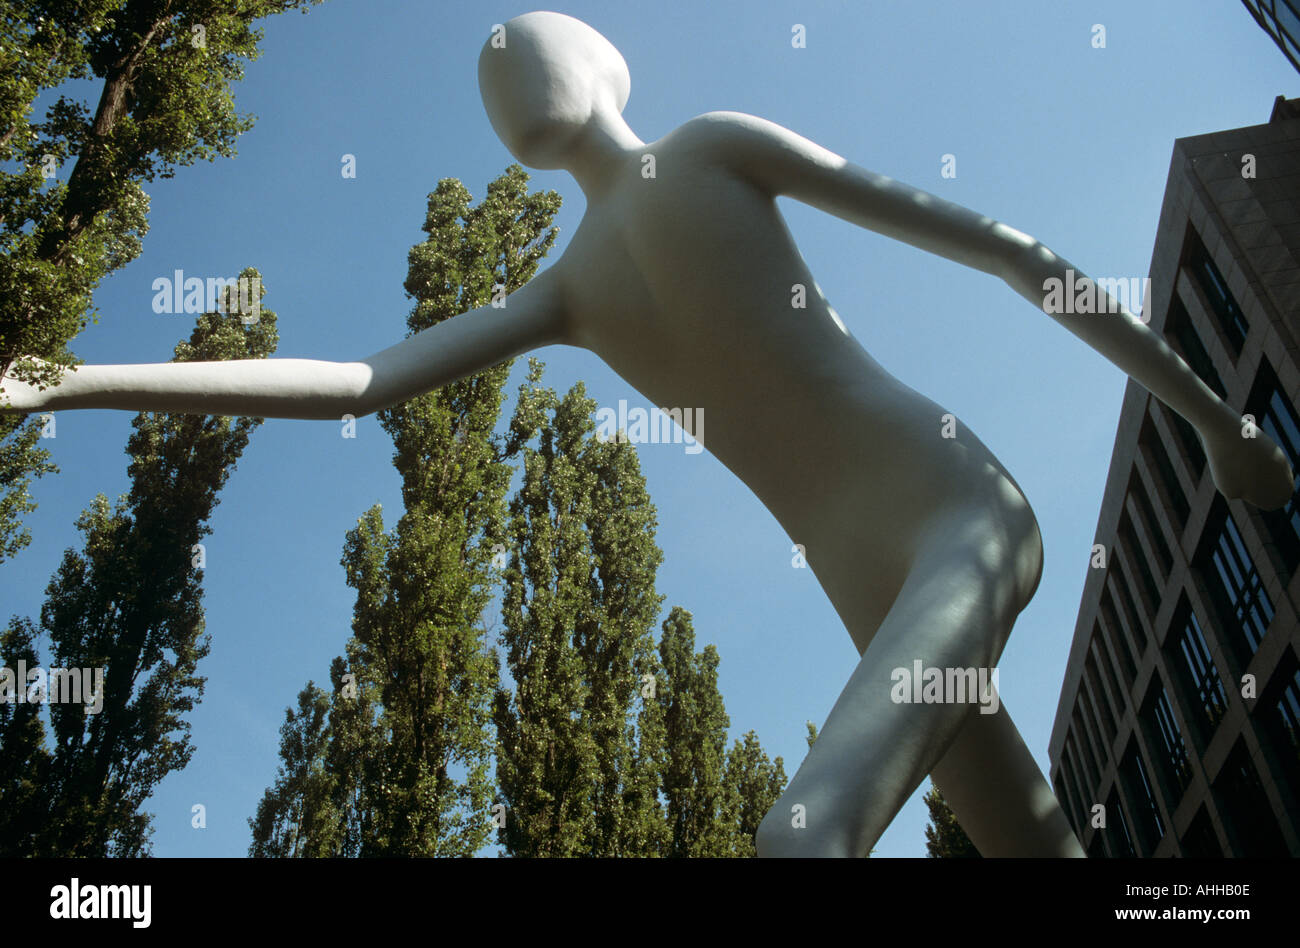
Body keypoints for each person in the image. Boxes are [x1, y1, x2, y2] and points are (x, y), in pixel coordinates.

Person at [3, 11, 1291, 857]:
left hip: (955, 520)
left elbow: (353, 382)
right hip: (884, 564)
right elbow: (1016, 257)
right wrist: (67, 378)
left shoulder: (644, 215)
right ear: (610, 66)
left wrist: (75, 377)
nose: (508, 49)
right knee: (1031, 843)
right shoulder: (598, 251)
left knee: (801, 840)